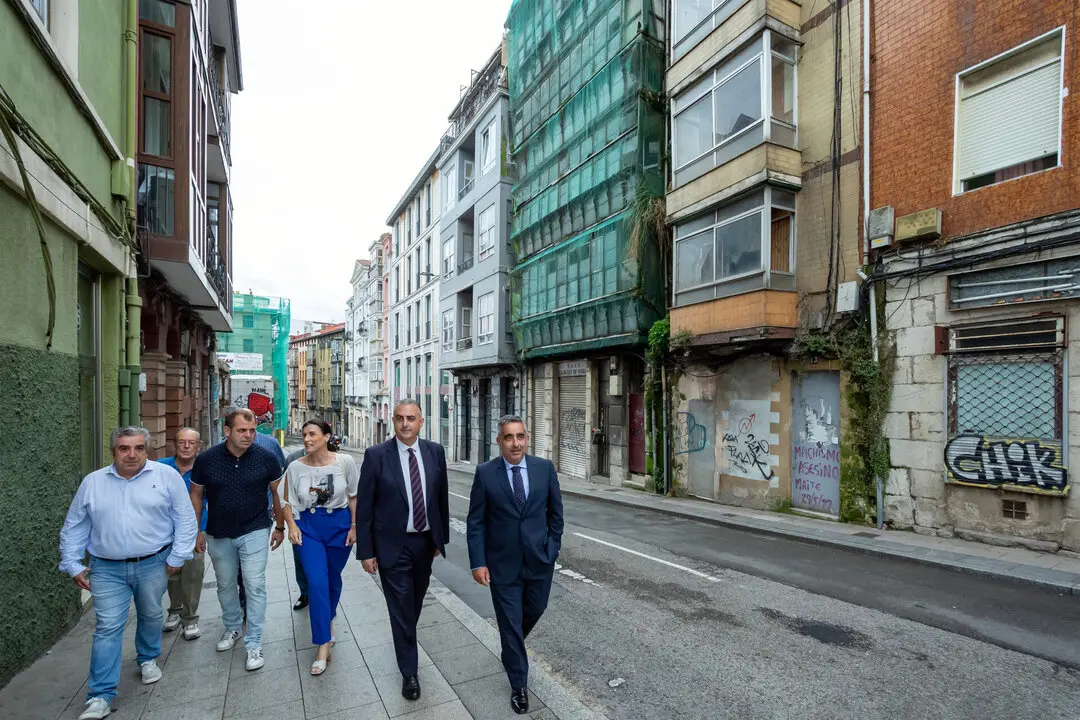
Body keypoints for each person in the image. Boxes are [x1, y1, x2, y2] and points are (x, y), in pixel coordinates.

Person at [59, 427, 198, 720]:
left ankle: (147, 658)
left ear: (147, 450)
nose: (131, 454)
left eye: (138, 448)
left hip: (153, 562)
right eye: (124, 448)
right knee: (108, 627)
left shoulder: (165, 477)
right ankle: (100, 695)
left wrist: (178, 555)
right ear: (114, 452)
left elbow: (184, 517)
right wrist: (72, 563)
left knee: (150, 613)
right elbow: (75, 525)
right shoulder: (93, 483)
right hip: (105, 567)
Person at [467, 415, 564, 715]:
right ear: (499, 441)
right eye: (508, 437)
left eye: (520, 436)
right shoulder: (485, 473)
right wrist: (478, 562)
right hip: (502, 565)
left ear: (527, 438)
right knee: (510, 624)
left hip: (539, 562)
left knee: (534, 611)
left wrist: (552, 548)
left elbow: (556, 515)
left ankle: (510, 649)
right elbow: (476, 522)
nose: (515, 443)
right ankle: (519, 686)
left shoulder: (543, 469)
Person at [357, 399, 449, 701]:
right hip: (391, 545)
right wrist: (366, 551)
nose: (405, 424)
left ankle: (405, 636)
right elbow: (366, 508)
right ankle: (410, 672)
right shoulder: (376, 456)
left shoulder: (435, 452)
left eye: (411, 418)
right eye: (399, 418)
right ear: (393, 421)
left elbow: (440, 499)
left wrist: (439, 540)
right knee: (400, 608)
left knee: (413, 604)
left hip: (424, 544)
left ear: (421, 421)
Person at [190, 409, 286, 672]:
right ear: (227, 431)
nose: (248, 435)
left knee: (255, 585)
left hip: (255, 529)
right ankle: (232, 627)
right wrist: (197, 530)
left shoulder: (266, 458)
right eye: (242, 430)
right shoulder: (207, 460)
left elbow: (279, 493)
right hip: (218, 532)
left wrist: (280, 526)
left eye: (252, 430)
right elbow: (196, 494)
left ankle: (253, 642)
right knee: (225, 584)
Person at [282, 420, 359, 675]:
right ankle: (322, 645)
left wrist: (354, 526)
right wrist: (291, 526)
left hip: (338, 524)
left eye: (312, 434)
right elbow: (287, 502)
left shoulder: (344, 462)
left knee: (332, 579)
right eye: (304, 435)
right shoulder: (294, 467)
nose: (306, 439)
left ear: (326, 437)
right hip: (308, 528)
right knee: (316, 582)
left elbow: (354, 496)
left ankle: (328, 619)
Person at [159, 428, 208, 641]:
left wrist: (201, 532)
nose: (186, 446)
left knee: (193, 573)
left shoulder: (204, 468)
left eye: (191, 443)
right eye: (182, 442)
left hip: (195, 530)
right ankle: (174, 609)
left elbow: (209, 501)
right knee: (172, 573)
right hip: (165, 531)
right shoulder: (160, 467)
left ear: (199, 446)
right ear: (175, 445)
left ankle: (190, 618)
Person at [236, 430, 288, 615]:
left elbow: (279, 473)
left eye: (249, 427)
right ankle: (244, 596)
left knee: (251, 566)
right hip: (230, 519)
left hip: (262, 513)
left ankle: (248, 599)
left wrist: (279, 517)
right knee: (233, 570)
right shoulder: (222, 445)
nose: (246, 433)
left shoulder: (270, 444)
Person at [283, 444, 310, 610]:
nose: (308, 439)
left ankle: (326, 598)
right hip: (300, 517)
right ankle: (305, 592)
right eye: (306, 435)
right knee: (300, 557)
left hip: (326, 519)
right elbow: (284, 491)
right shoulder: (293, 459)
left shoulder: (335, 458)